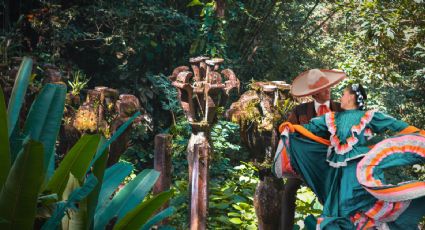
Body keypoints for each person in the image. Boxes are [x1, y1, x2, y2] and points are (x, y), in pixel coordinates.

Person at [274, 83, 425, 229]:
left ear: (352, 98)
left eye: (343, 94)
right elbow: (310, 128)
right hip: (337, 172)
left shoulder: (369, 116)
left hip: (359, 168)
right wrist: (291, 128)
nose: (340, 98)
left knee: (352, 203)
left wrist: (420, 133)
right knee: (336, 207)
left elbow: (395, 125)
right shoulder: (333, 118)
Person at [281, 69, 345, 229]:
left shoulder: (340, 108)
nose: (328, 90)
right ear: (314, 94)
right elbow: (290, 136)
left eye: (328, 86)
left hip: (333, 164)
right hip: (305, 163)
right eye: (324, 89)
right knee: (288, 191)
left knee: (339, 193)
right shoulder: (299, 111)